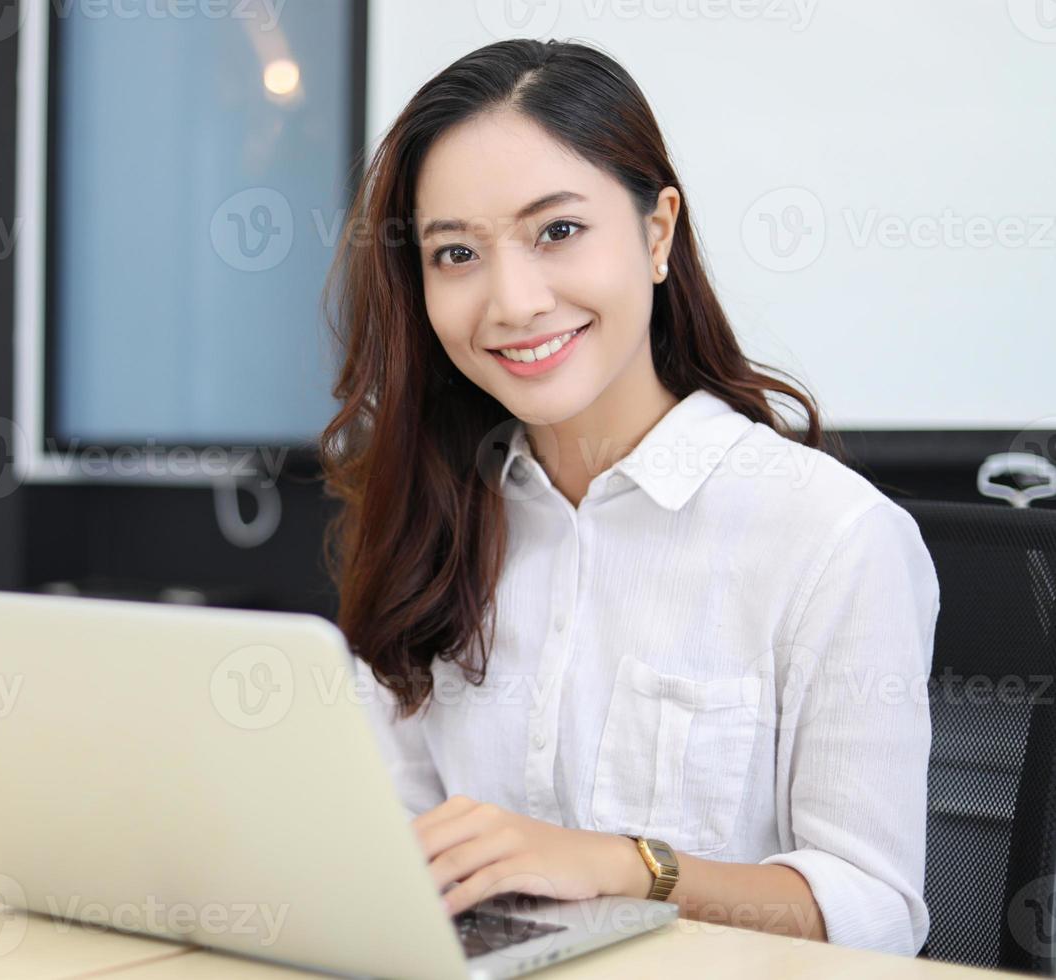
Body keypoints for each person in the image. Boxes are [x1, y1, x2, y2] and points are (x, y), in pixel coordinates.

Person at [319, 37, 939, 957]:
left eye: (557, 232)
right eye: (457, 253)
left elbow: (876, 914)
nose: (514, 301)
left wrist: (626, 865)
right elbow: (395, 838)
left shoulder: (832, 536)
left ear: (657, 235)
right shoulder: (436, 518)